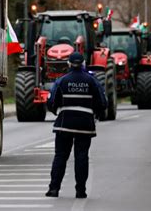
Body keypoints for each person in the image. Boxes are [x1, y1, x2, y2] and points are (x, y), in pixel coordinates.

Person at [45, 52, 107, 199]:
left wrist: (56, 111)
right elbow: (103, 103)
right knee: (82, 157)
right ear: (83, 63)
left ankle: (54, 189)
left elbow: (51, 101)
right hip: (85, 125)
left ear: (69, 64)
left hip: (64, 124)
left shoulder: (62, 81)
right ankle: (81, 191)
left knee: (60, 156)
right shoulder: (92, 81)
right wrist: (95, 114)